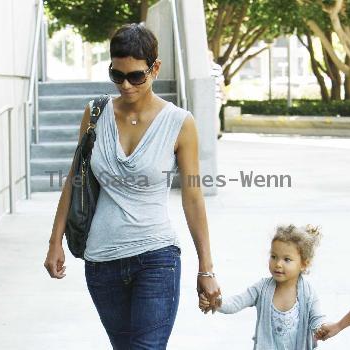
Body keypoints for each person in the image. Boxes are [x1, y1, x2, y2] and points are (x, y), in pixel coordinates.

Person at [44, 23, 220, 349]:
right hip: (102, 261)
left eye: (136, 76)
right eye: (117, 74)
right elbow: (74, 181)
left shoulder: (180, 123)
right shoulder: (95, 113)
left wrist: (206, 268)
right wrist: (55, 241)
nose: (125, 85)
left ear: (155, 68)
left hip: (157, 258)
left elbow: (193, 199)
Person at [199, 224, 326, 350]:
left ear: (304, 264)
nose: (278, 264)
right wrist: (215, 301)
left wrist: (321, 329)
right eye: (274, 257)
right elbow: (236, 303)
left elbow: (317, 319)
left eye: (287, 259)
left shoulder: (308, 293)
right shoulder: (262, 288)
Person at [208, 50, 227, 139]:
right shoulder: (202, 68)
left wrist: (224, 95)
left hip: (216, 96)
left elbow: (221, 82)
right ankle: (211, 133)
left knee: (215, 115)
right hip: (207, 97)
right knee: (209, 115)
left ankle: (217, 133)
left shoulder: (217, 67)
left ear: (212, 57)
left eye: (209, 56)